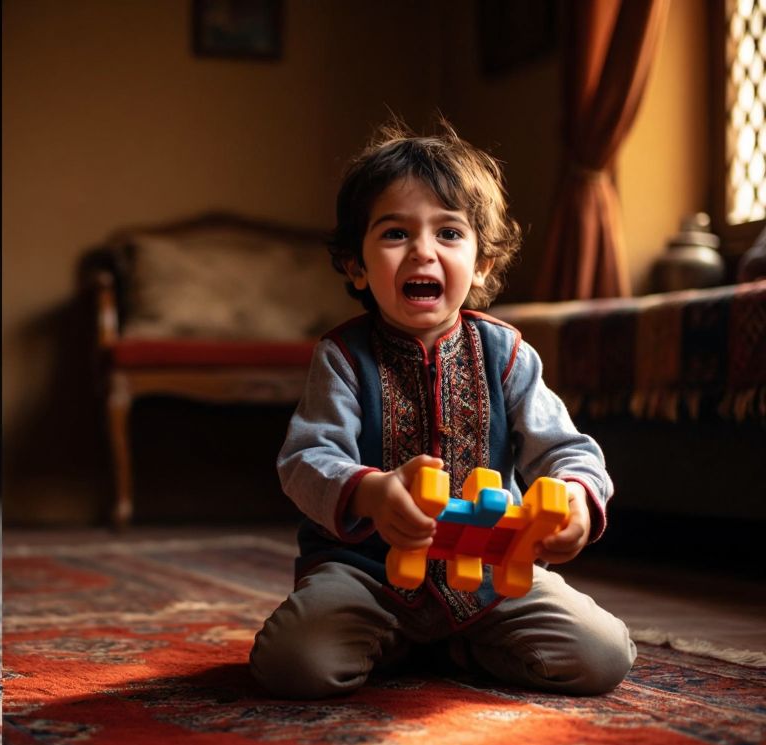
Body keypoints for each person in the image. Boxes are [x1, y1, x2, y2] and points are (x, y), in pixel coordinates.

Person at [248, 121, 635, 699]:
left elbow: (568, 450)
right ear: (357, 266)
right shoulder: (341, 358)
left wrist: (576, 499)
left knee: (601, 657)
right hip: (366, 576)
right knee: (294, 665)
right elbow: (306, 458)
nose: (423, 251)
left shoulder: (508, 356)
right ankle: (401, 639)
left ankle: (456, 643)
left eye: (450, 233)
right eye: (396, 233)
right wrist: (372, 493)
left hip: (491, 579)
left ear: (481, 264)